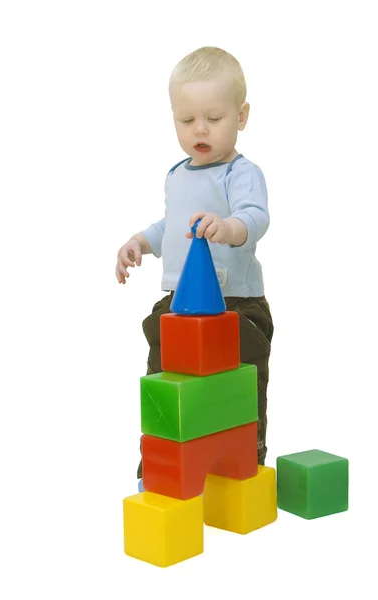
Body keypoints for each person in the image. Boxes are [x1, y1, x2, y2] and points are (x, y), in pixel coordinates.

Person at [115, 46, 274, 491]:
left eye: (214, 118)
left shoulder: (240, 173)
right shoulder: (177, 175)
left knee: (241, 383)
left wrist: (228, 226)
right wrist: (141, 243)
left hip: (235, 305)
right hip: (179, 305)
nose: (199, 129)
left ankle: (247, 458)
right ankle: (161, 466)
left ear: (241, 117)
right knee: (164, 375)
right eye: (187, 121)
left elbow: (256, 217)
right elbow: (171, 224)